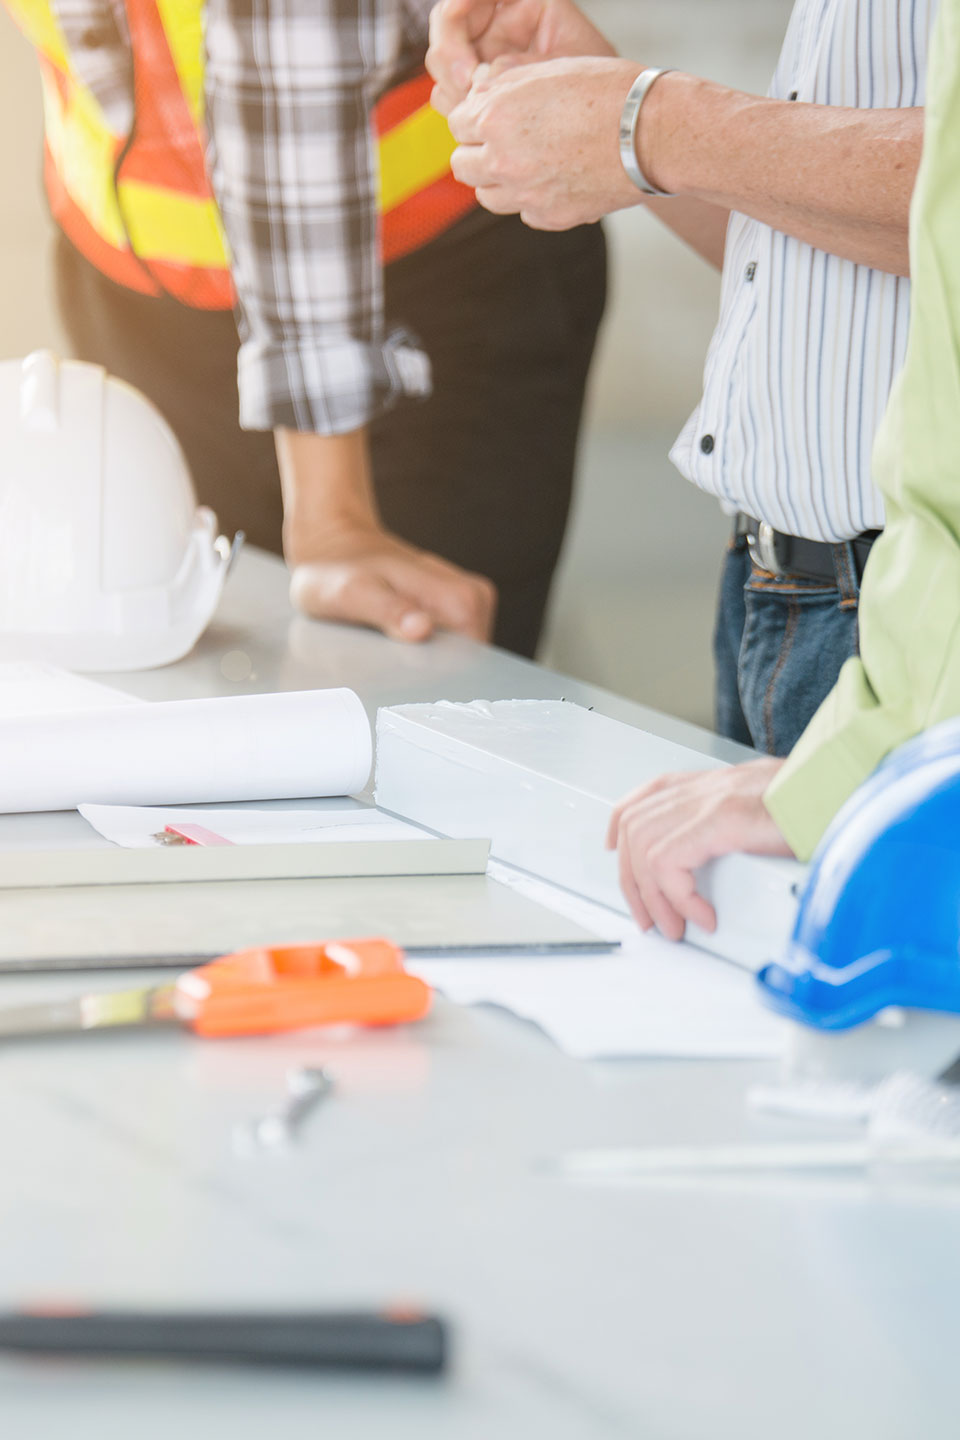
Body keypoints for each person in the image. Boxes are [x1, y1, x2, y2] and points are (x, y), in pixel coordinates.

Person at [4, 0, 606, 657]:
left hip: (415, 303)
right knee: (181, 679)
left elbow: (284, 48)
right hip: (140, 299)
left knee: (405, 704)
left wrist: (332, 513)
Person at [428, 0, 933, 718]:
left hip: (908, 610)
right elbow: (831, 265)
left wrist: (655, 124)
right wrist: (616, 123)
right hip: (781, 594)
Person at [604, 0, 960, 940]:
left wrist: (655, 126)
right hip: (785, 603)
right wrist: (634, 139)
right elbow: (863, 250)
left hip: (907, 647)